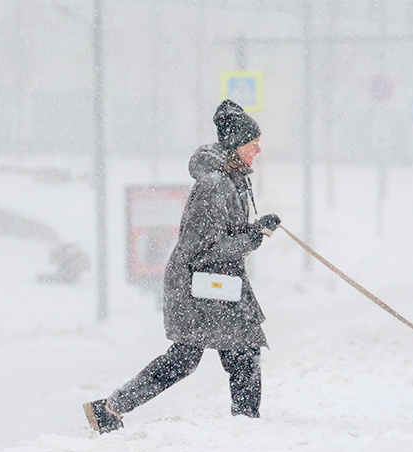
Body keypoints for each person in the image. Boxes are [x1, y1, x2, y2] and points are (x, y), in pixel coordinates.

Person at [83, 99, 280, 434]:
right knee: (213, 355)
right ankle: (246, 427)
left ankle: (109, 408)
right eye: (252, 143)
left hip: (213, 284)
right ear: (235, 146)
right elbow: (207, 248)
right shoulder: (213, 187)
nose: (258, 150)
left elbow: (220, 235)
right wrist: (252, 239)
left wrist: (253, 228)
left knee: (218, 354)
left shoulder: (231, 181)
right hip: (199, 285)